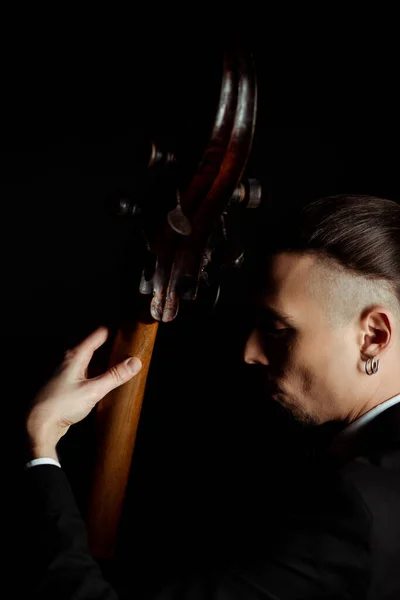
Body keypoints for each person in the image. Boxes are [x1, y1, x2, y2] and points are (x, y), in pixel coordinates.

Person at [22, 194, 400, 599]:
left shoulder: (354, 511)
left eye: (277, 328)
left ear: (373, 337)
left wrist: (41, 442)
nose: (249, 353)